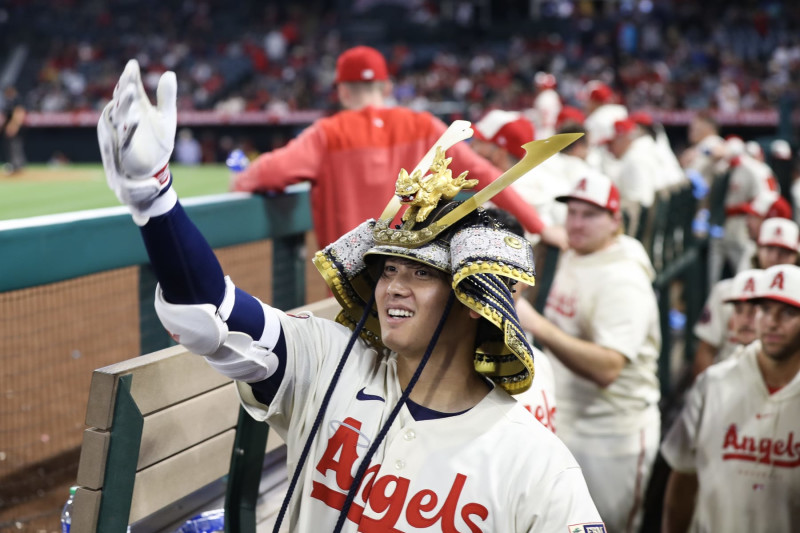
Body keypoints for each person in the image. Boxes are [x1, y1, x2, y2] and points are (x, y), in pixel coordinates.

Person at [98, 59, 604, 533]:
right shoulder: (327, 363)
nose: (392, 288)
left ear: (473, 300)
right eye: (388, 269)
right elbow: (210, 313)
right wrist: (154, 196)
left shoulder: (540, 468)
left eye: (421, 273)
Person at [231, 45, 565, 250]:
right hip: (414, 279)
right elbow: (489, 177)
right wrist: (538, 226)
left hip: (351, 283)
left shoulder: (328, 133)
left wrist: (241, 180)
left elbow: (271, 171)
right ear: (387, 86)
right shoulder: (423, 125)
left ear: (343, 91)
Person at [515, 172, 661, 533]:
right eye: (573, 212)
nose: (576, 223)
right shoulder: (579, 251)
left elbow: (608, 367)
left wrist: (533, 322)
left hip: (612, 433)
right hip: (568, 418)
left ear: (616, 221)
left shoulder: (624, 278)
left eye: (590, 214)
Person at [661, 264, 800, 532]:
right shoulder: (714, 383)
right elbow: (683, 478)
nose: (772, 321)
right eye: (765, 309)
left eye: (789, 312)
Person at [693, 217, 800, 377]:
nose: (775, 257)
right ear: (757, 248)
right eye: (769, 248)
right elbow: (706, 350)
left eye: (785, 251)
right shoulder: (727, 290)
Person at [1, 86, 26, 174]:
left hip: (14, 127)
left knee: (15, 146)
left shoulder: (17, 99)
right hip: (9, 126)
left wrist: (14, 126)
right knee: (11, 146)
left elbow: (19, 112)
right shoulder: (9, 100)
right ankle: (14, 165)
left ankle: (17, 165)